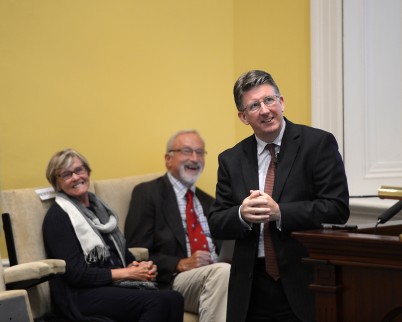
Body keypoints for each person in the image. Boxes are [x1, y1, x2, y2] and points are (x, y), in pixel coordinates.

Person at [208, 70, 350, 322]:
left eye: (269, 100)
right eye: (254, 105)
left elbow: (337, 208)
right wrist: (241, 214)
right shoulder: (231, 159)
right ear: (243, 116)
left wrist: (281, 212)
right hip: (251, 286)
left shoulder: (317, 144)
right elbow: (217, 221)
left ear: (281, 102)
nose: (264, 110)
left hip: (305, 279)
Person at [42, 148, 184, 322]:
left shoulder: (101, 211)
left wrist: (142, 267)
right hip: (82, 294)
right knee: (157, 302)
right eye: (66, 174)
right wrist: (127, 273)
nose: (76, 177)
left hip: (112, 286)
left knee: (175, 298)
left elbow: (124, 255)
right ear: (57, 183)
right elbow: (76, 274)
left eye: (79, 170)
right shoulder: (58, 217)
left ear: (87, 171)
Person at [125, 129, 231, 322]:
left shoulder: (209, 202)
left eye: (200, 152)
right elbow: (134, 251)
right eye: (187, 151)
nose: (194, 158)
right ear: (168, 159)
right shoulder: (148, 194)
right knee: (222, 273)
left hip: (218, 274)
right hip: (173, 279)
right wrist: (179, 264)